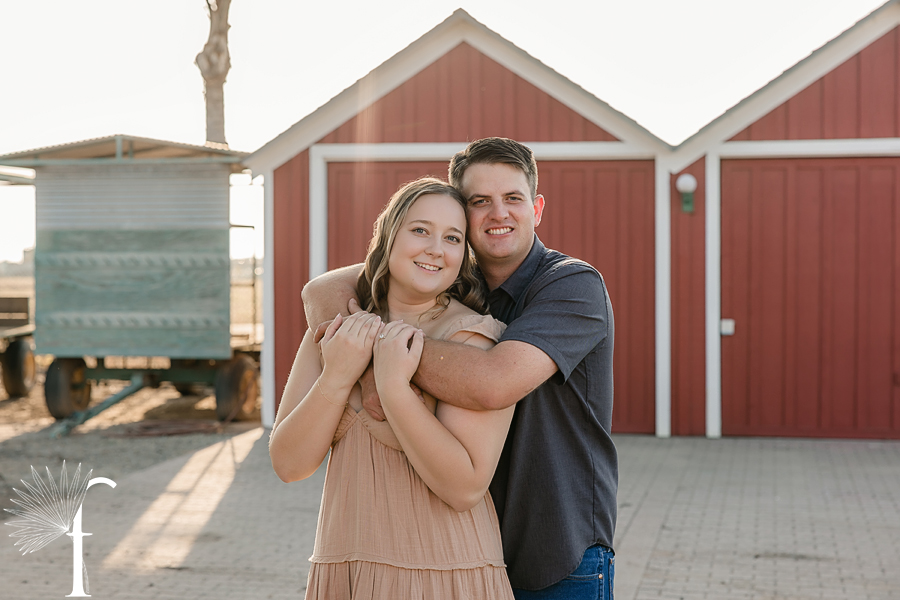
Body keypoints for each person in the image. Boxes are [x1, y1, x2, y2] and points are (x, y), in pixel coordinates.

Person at [303, 137, 617, 600]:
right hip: (463, 545)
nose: (499, 213)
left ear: (537, 207)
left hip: (556, 550)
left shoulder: (572, 285)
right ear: (461, 213)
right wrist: (371, 362)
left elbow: (492, 385)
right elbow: (323, 288)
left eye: (513, 198)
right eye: (479, 202)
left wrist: (377, 352)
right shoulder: (451, 279)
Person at [270, 177, 516, 599]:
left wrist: (392, 385)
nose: (436, 248)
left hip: (444, 572)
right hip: (346, 572)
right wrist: (338, 375)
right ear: (388, 237)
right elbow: (289, 466)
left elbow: (464, 488)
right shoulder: (336, 334)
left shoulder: (470, 338)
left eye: (453, 238)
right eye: (420, 230)